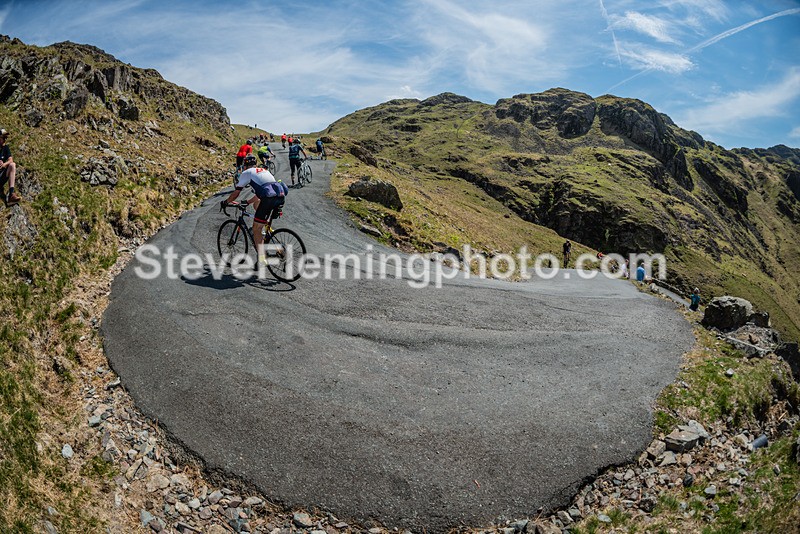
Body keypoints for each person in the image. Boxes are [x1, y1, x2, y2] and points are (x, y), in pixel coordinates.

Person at [222, 154, 288, 265]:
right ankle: (270, 238)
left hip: (268, 198)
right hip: (280, 196)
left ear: (245, 165)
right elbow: (261, 194)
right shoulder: (263, 170)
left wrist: (226, 202)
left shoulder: (246, 173)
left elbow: (236, 193)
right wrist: (248, 202)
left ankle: (262, 259)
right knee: (256, 206)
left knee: (256, 229)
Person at [0, 129, 20, 206]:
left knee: (12, 165)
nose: (5, 140)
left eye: (6, 138)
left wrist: (4, 164)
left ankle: (11, 194)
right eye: (3, 138)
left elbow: (11, 160)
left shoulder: (5, 148)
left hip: (1, 176)